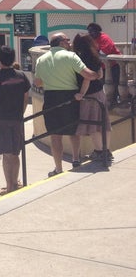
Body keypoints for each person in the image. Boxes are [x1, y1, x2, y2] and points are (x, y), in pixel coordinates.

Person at [34, 32, 101, 177]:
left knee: (55, 135)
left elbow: (37, 82)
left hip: (51, 98)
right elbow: (87, 75)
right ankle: (76, 159)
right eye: (67, 40)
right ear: (61, 43)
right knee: (74, 131)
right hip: (70, 97)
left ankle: (58, 168)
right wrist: (97, 74)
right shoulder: (70, 56)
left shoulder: (41, 59)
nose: (69, 43)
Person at [0, 45, 31, 195]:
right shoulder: (21, 76)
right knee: (15, 153)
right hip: (17, 119)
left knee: (6, 154)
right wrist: (20, 113)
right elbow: (26, 99)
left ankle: (10, 186)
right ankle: (14, 183)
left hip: (2, 121)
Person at [73, 33, 113, 163]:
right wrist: (94, 76)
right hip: (100, 92)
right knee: (104, 123)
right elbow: (100, 74)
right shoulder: (95, 56)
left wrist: (81, 94)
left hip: (90, 96)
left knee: (93, 125)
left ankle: (99, 152)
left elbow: (86, 79)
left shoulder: (80, 58)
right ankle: (106, 150)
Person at [87, 23, 122, 105]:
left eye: (92, 31)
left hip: (113, 65)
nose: (90, 33)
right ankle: (107, 100)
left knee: (114, 84)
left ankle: (115, 101)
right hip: (102, 66)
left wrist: (94, 51)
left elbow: (105, 51)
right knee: (104, 84)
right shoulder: (92, 39)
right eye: (89, 32)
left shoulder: (104, 38)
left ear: (97, 31)